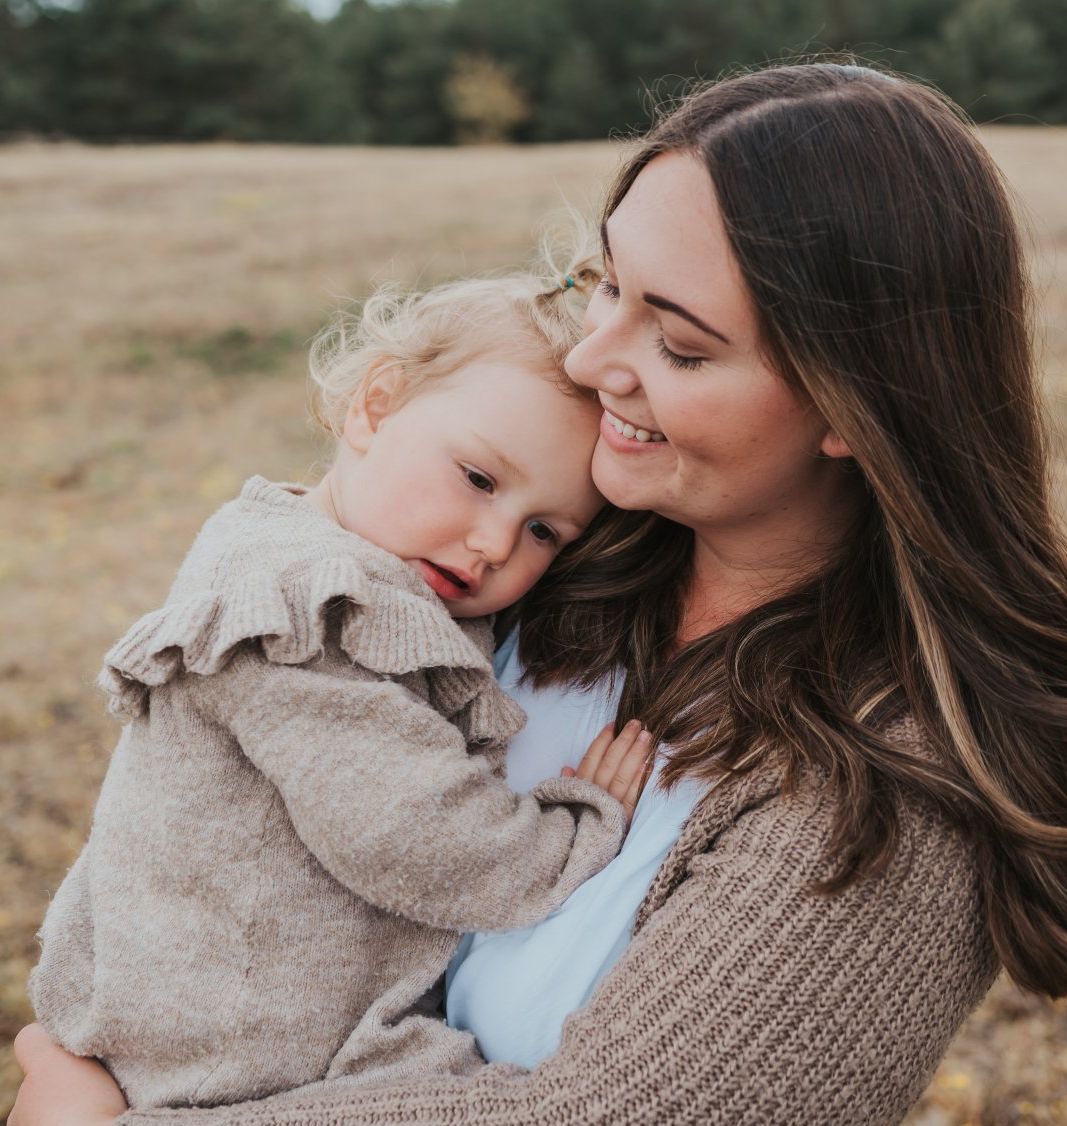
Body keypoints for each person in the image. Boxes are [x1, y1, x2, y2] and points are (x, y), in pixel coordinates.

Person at [12, 61, 1067, 1126]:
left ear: (855, 407)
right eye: (602, 286)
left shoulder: (888, 798)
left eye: (678, 345)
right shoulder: (551, 562)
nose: (592, 359)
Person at [25, 261, 659, 1109]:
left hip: (259, 1010)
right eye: (478, 480)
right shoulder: (303, 610)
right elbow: (413, 833)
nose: (492, 545)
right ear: (376, 405)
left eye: (543, 530)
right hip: (230, 1036)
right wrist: (576, 833)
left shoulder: (339, 557)